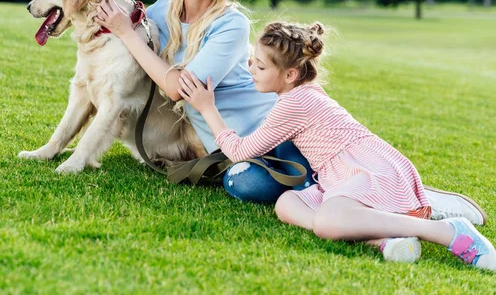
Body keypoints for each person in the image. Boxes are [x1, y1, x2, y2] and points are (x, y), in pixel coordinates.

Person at [93, 0, 486, 224]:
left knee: (270, 181)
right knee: (241, 182)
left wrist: (127, 34)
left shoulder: (231, 24)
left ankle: (413, 199)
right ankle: (362, 199)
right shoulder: (160, 12)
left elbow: (180, 88)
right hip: (232, 148)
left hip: (280, 134)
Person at [178, 20, 495, 268]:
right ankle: (383, 239)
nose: (251, 70)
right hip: (337, 175)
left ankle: (450, 232)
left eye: (260, 67)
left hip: (365, 168)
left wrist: (208, 108)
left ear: (289, 74)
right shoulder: (300, 93)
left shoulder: (292, 104)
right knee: (287, 204)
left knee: (328, 222)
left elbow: (242, 151)